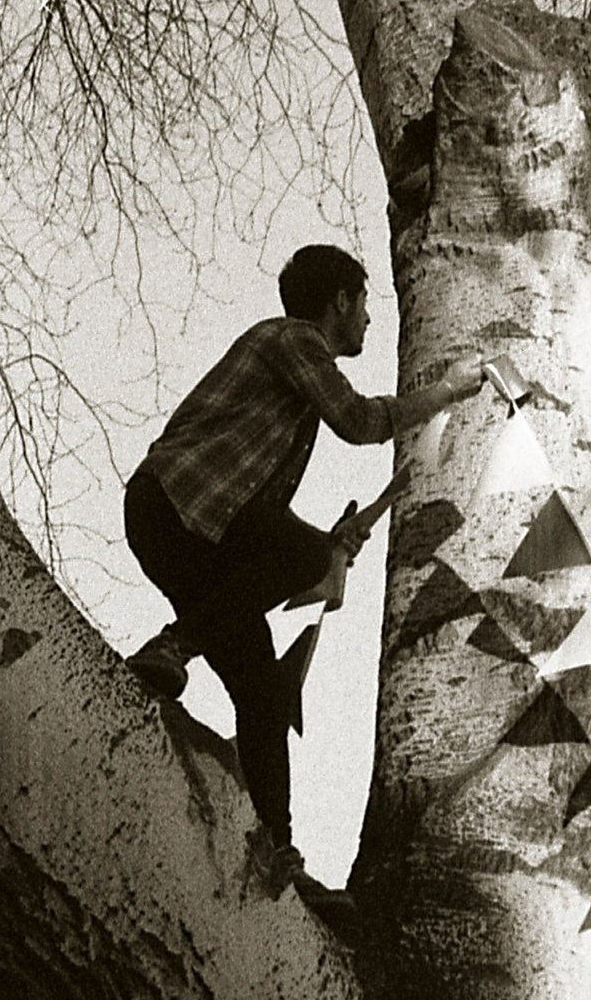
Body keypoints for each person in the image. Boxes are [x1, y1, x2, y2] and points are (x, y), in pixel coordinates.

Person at [123, 248, 485, 863]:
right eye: (365, 304)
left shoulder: (285, 373)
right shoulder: (293, 339)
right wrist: (447, 393)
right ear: (340, 301)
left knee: (264, 692)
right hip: (174, 504)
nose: (370, 320)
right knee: (304, 560)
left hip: (194, 525)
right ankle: (175, 645)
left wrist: (326, 542)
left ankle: (275, 848)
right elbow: (360, 420)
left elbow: (253, 511)